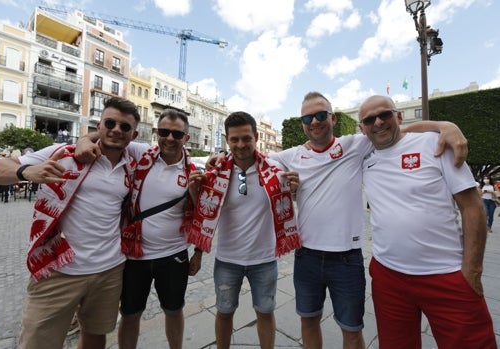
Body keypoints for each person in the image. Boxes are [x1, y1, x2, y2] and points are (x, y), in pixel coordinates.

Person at [264, 92, 469, 349]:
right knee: (308, 321)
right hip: (306, 256)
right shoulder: (291, 155)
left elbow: (399, 129)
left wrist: (444, 126)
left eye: (320, 115)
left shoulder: (355, 144)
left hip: (346, 259)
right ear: (302, 123)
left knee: (351, 330)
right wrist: (219, 161)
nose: (314, 121)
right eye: (307, 117)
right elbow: (253, 159)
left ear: (333, 118)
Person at [0, 96, 140, 349]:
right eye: (110, 123)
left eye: (125, 127)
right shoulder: (63, 154)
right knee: (38, 343)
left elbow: (171, 148)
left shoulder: (132, 162)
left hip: (110, 270)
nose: (116, 130)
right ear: (99, 126)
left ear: (133, 134)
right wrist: (26, 173)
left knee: (95, 336)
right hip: (58, 270)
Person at [358, 95, 497, 349]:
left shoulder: (434, 143)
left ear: (398, 116)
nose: (378, 122)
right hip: (388, 276)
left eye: (385, 114)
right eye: (369, 119)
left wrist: (472, 269)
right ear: (362, 128)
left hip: (446, 274)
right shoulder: (363, 154)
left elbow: (472, 206)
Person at [75, 109, 203, 349]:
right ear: (156, 133)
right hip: (134, 255)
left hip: (174, 254)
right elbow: (107, 135)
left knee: (174, 311)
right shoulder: (139, 152)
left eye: (177, 134)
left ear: (186, 138)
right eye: (164, 132)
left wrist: (198, 252)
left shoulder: (193, 172)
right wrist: (83, 139)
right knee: (131, 315)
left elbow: (202, 216)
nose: (170, 138)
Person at [186, 111, 301, 349]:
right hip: (228, 260)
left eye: (246, 138)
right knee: (224, 313)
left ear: (256, 137)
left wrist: (294, 190)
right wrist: (194, 192)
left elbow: (307, 161)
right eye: (234, 139)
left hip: (265, 260)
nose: (240, 145)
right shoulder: (215, 173)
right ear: (227, 140)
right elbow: (205, 212)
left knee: (265, 313)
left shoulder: (275, 167)